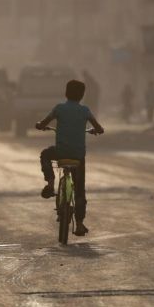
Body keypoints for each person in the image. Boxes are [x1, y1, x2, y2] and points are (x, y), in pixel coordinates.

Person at [36, 80, 105, 236]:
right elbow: (99, 128)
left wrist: (40, 125)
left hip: (61, 152)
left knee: (45, 154)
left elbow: (44, 122)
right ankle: (79, 224)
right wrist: (95, 130)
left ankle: (51, 183)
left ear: (66, 93)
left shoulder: (59, 109)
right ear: (82, 95)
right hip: (78, 157)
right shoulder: (85, 110)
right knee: (80, 190)